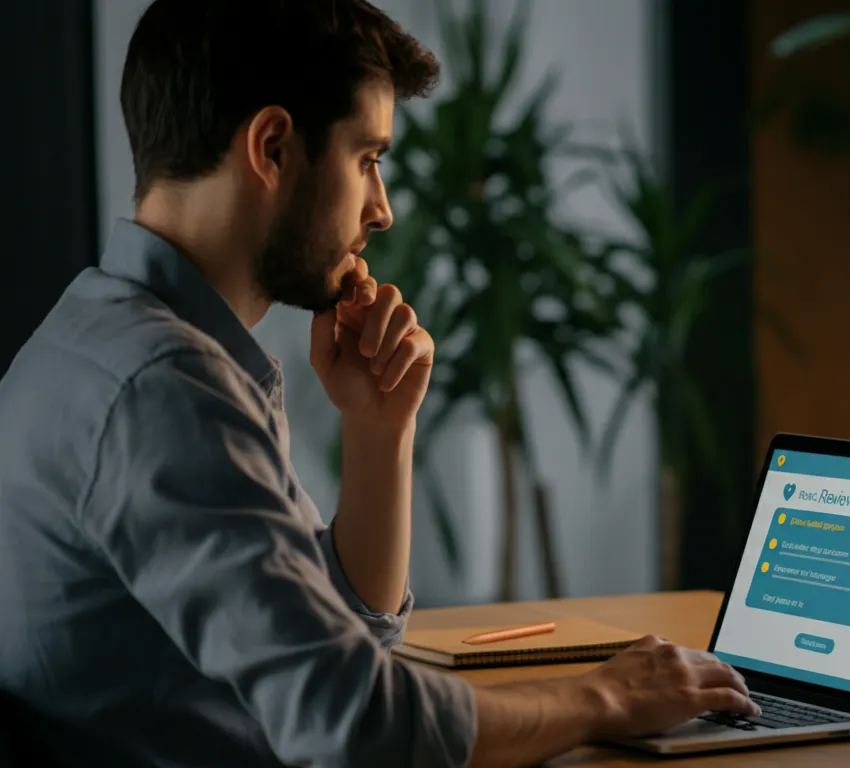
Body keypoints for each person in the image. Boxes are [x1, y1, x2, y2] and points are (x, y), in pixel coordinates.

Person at [0, 1, 757, 766]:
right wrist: (603, 699)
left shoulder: (94, 338)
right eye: (367, 158)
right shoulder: (164, 390)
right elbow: (355, 725)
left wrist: (379, 430)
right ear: (272, 147)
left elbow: (334, 646)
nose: (383, 210)